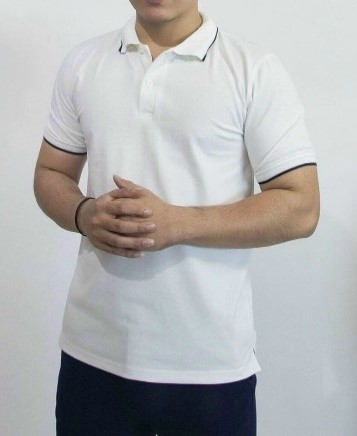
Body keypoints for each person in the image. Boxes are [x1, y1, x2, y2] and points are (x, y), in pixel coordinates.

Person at [33, 0, 320, 434]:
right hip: (91, 357)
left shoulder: (254, 70)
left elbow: (302, 207)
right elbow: (51, 173)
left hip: (208, 370)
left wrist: (177, 223)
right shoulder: (83, 63)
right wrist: (83, 213)